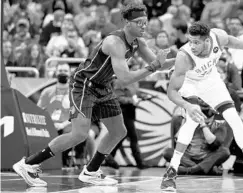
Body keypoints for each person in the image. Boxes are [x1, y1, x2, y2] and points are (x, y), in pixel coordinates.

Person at [13, 3, 174, 187]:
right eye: (139, 22)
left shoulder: (139, 42)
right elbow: (125, 78)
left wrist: (186, 58)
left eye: (145, 22)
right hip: (84, 85)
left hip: (102, 86)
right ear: (127, 23)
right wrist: (154, 66)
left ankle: (91, 171)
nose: (143, 26)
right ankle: (29, 164)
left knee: (119, 131)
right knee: (79, 134)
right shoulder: (115, 42)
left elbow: (159, 63)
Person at [160, 22, 243, 192]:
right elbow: (172, 91)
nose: (192, 45)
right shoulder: (184, 56)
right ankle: (171, 172)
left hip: (211, 81)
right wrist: (187, 105)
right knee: (190, 122)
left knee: (235, 121)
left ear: (207, 41)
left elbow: (232, 41)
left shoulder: (217, 36)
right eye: (190, 41)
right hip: (190, 84)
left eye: (196, 42)